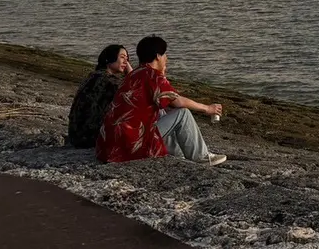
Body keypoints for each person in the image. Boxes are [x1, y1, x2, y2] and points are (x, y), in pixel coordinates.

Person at [96, 34, 226, 166]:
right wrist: (208, 108)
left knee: (161, 112)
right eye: (164, 55)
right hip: (130, 146)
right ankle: (201, 157)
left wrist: (163, 75)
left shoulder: (134, 75)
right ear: (158, 56)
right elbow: (177, 102)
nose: (166, 58)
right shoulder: (152, 75)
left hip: (108, 147)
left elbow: (165, 103)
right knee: (183, 114)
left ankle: (178, 153)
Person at [67, 44, 132, 148]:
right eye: (122, 57)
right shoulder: (108, 80)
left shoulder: (95, 76)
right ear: (109, 58)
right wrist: (131, 74)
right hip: (89, 138)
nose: (126, 62)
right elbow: (136, 92)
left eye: (127, 59)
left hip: (77, 135)